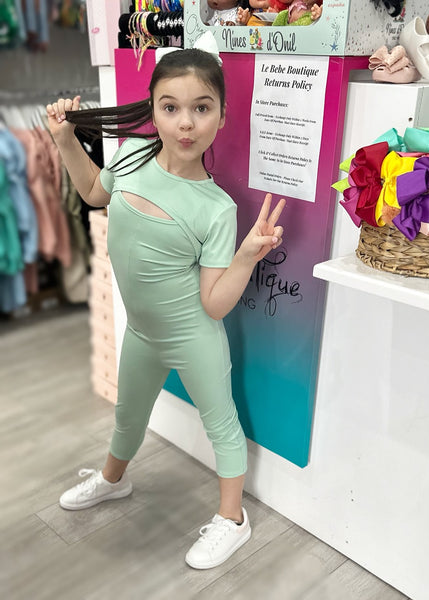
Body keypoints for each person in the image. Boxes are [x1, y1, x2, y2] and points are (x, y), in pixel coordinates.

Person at [46, 35, 285, 570]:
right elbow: (94, 192)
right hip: (141, 331)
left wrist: (247, 255)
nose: (185, 124)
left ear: (222, 117)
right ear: (152, 110)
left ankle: (233, 519)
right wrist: (65, 141)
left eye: (201, 108)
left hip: (192, 335)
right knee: (128, 415)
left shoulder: (217, 208)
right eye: (170, 107)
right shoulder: (131, 155)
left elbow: (214, 304)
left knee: (220, 423)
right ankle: (113, 480)